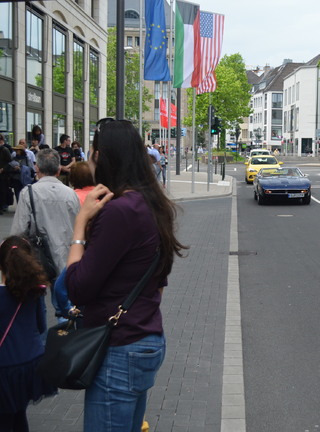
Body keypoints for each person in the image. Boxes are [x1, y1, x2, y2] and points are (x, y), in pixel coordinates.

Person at [65, 118, 187, 432]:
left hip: (118, 349)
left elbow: (76, 288)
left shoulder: (119, 211)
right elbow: (159, 283)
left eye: (92, 151)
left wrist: (80, 225)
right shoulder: (152, 203)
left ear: (101, 157)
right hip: (145, 338)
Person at [0, 236, 57, 431]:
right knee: (18, 414)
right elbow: (41, 326)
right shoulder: (34, 291)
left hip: (4, 367)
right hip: (30, 363)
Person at [10, 149, 80, 295]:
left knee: (37, 300)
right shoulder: (71, 194)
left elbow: (18, 231)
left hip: (39, 257)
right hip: (67, 256)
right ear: (59, 169)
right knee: (66, 305)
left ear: (37, 168)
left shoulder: (28, 193)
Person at [0, 134, 13, 215]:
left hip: (3, 175)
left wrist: (3, 169)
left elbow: (10, 162)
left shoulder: (4, 150)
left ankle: (2, 206)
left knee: (2, 191)